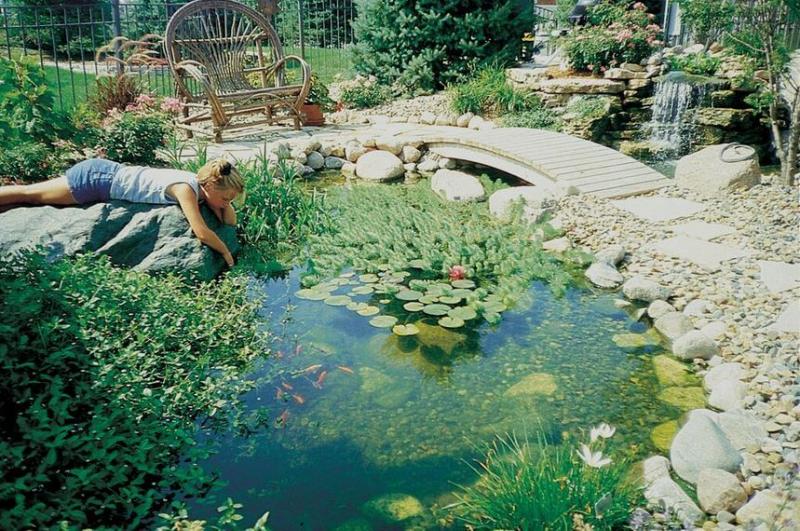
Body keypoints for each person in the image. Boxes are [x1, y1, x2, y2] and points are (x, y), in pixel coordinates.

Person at [0, 158, 244, 267]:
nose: (227, 203)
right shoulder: (186, 190)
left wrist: (223, 204)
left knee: (29, 197)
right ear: (210, 186)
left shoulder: (203, 187)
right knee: (29, 194)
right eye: (226, 198)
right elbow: (201, 232)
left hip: (108, 176)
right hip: (97, 181)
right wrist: (225, 252)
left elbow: (229, 222)